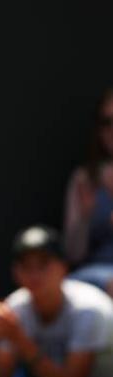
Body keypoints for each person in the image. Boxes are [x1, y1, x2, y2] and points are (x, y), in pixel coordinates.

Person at [0, 225, 113, 377]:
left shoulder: (89, 309)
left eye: (43, 264)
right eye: (26, 266)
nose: (34, 274)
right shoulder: (16, 307)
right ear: (15, 272)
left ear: (63, 268)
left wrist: (19, 339)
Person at [63, 88, 113, 297]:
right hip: (95, 275)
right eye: (107, 122)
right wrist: (84, 218)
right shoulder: (84, 179)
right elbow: (72, 254)